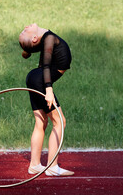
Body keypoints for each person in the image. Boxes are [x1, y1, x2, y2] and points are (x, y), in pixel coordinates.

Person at [19, 23, 74, 176]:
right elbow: (46, 66)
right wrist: (49, 90)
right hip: (41, 81)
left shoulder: (45, 39)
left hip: (34, 78)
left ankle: (35, 165)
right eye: (25, 31)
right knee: (60, 122)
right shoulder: (49, 38)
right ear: (34, 38)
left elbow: (44, 64)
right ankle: (52, 166)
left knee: (41, 122)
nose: (25, 26)